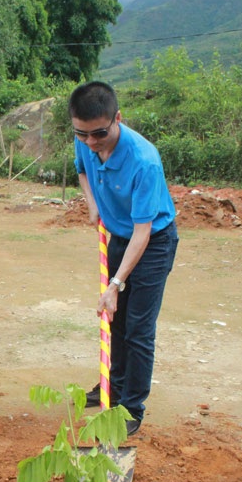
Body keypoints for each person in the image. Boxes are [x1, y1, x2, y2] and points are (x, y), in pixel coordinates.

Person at [69, 81, 179, 436]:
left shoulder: (144, 160)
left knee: (138, 329)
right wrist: (92, 203)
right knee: (113, 324)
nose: (90, 142)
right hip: (117, 236)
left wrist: (116, 284)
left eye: (98, 134)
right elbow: (82, 170)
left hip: (153, 243)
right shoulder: (86, 137)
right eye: (82, 134)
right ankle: (110, 389)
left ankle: (131, 407)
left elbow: (144, 233)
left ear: (118, 118)